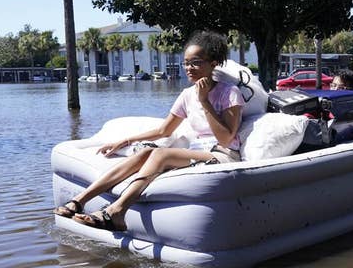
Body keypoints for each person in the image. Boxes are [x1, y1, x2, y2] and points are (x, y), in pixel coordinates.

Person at [53, 31, 244, 231]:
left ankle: (116, 211)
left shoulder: (229, 93)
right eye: (186, 63)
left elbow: (226, 138)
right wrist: (124, 141)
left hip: (223, 155)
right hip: (197, 153)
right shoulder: (187, 95)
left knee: (160, 153)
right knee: (146, 151)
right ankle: (78, 201)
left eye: (195, 62)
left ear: (213, 63)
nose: (189, 68)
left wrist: (204, 100)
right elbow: (164, 130)